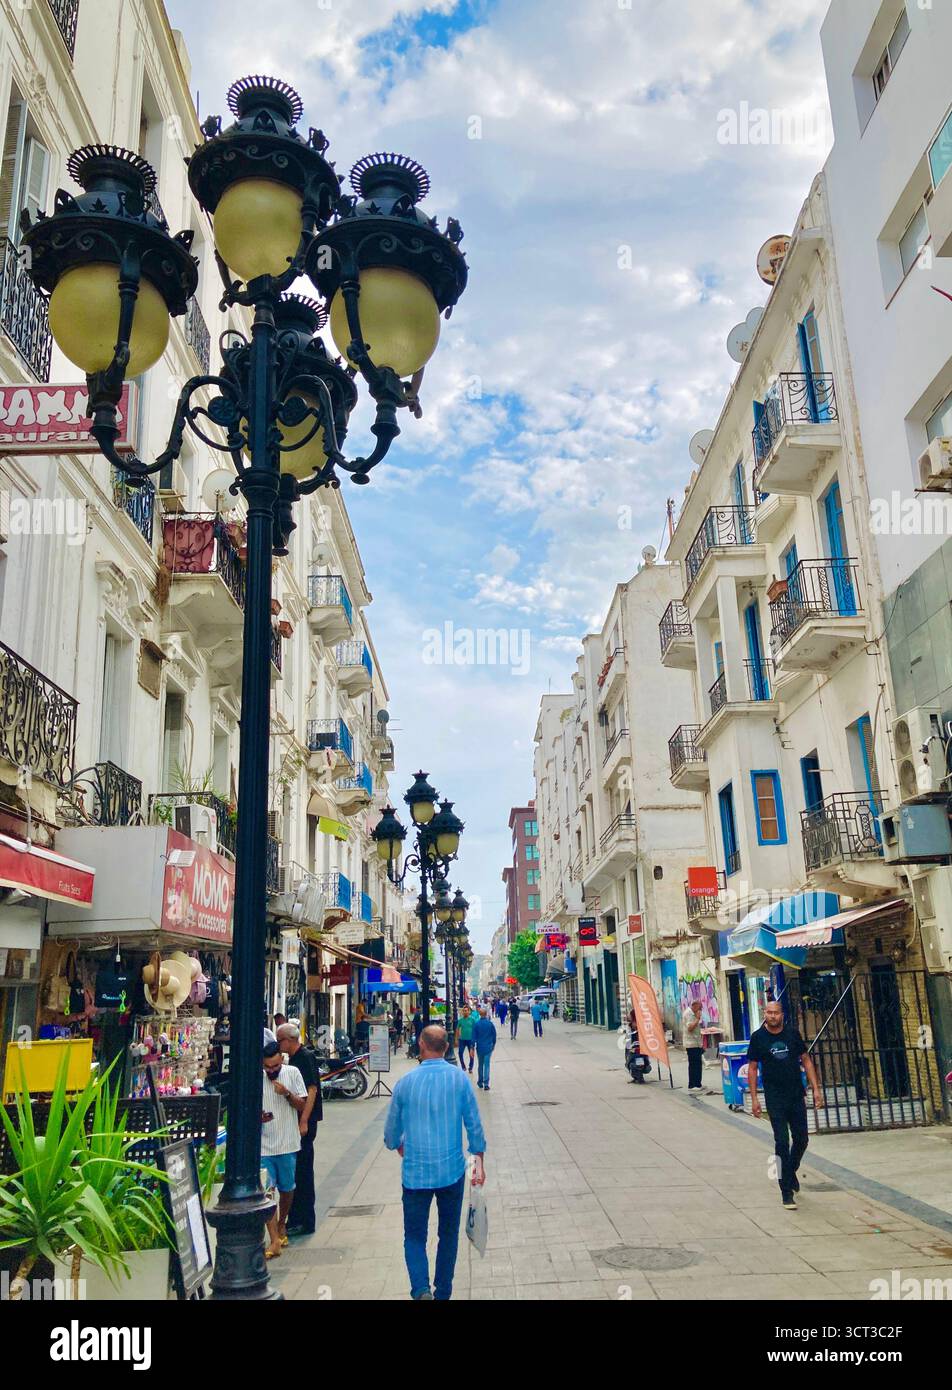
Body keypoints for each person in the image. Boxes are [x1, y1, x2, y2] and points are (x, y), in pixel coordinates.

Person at [384, 1025, 486, 1300]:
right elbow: (474, 1125)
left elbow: (391, 1134)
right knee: (448, 1234)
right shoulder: (459, 1080)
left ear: (421, 1044)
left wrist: (398, 1143)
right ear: (446, 1047)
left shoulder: (405, 1083)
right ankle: (443, 1291)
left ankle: (420, 1289)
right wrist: (479, 1162)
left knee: (414, 1236)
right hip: (451, 1171)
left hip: (415, 1174)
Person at [747, 999, 824, 1210]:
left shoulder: (792, 1034)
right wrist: (755, 1098)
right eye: (769, 1012)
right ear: (765, 1013)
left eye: (776, 1013)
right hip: (775, 1098)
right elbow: (752, 1068)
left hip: (796, 1095)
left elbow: (806, 1060)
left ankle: (790, 1171)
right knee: (781, 1142)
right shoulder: (758, 1038)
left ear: (782, 1014)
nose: (772, 1016)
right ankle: (785, 1191)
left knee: (802, 1139)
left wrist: (816, 1088)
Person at [261, 1040, 308, 1258]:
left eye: (274, 1067)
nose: (271, 1071)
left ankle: (282, 1224)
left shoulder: (293, 1073)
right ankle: (273, 1239)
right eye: (267, 1067)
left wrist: (287, 1094)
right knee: (268, 1190)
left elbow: (302, 1105)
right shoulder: (257, 1076)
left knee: (287, 1188)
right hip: (264, 1145)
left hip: (288, 1141)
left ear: (281, 1060)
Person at [276, 1023, 322, 1237]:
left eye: (279, 1040)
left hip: (304, 1123)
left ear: (288, 1040)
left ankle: (304, 1220)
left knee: (302, 1171)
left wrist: (304, 1120)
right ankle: (297, 1218)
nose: (278, 1045)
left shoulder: (303, 1058)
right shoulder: (294, 1059)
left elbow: (311, 1090)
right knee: (297, 1170)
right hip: (298, 1122)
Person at [683, 998, 708, 1093]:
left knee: (698, 1064)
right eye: (699, 1008)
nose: (700, 1010)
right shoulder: (689, 1014)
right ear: (694, 1006)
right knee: (694, 1064)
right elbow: (690, 1028)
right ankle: (693, 1084)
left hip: (696, 1043)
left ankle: (698, 1083)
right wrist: (697, 1019)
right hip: (691, 1044)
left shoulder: (693, 1013)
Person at [472, 1006, 497, 1090]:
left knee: (480, 1065)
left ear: (479, 1014)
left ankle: (480, 1082)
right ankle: (486, 1083)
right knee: (487, 1065)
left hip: (480, 1047)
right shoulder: (490, 1024)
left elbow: (473, 1037)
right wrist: (493, 1044)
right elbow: (494, 1035)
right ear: (486, 1014)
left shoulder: (476, 1024)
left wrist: (472, 1047)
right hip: (488, 1047)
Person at [456, 1003, 476, 1072]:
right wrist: (457, 1039)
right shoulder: (460, 1020)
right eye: (464, 1011)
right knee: (460, 1053)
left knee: (471, 1054)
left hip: (470, 1040)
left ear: (469, 1011)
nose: (465, 1012)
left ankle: (470, 1068)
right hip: (462, 1040)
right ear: (462, 1012)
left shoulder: (472, 1020)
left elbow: (475, 1029)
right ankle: (463, 1066)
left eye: (466, 1010)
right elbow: (457, 1029)